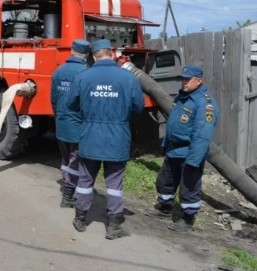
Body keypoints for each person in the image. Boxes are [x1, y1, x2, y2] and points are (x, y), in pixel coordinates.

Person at [66, 39, 145, 240]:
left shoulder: (84, 76)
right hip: (117, 138)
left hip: (90, 136)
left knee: (85, 180)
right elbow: (138, 107)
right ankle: (113, 226)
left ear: (94, 56)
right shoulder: (128, 78)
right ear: (112, 54)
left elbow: (71, 104)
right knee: (114, 184)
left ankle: (80, 219)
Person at [145, 65, 219, 232]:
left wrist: (194, 160)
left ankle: (187, 219)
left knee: (189, 187)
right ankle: (164, 208)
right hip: (174, 150)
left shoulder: (204, 104)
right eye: (183, 79)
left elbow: (202, 136)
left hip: (189, 153)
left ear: (199, 81)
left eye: (188, 79)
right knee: (165, 181)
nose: (183, 82)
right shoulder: (183, 97)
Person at [50, 39, 90, 208]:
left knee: (66, 158)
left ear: (72, 51)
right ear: (87, 55)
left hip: (61, 123)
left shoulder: (58, 72)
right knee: (76, 160)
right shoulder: (85, 73)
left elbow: (53, 100)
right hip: (78, 125)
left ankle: (67, 184)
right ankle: (68, 195)